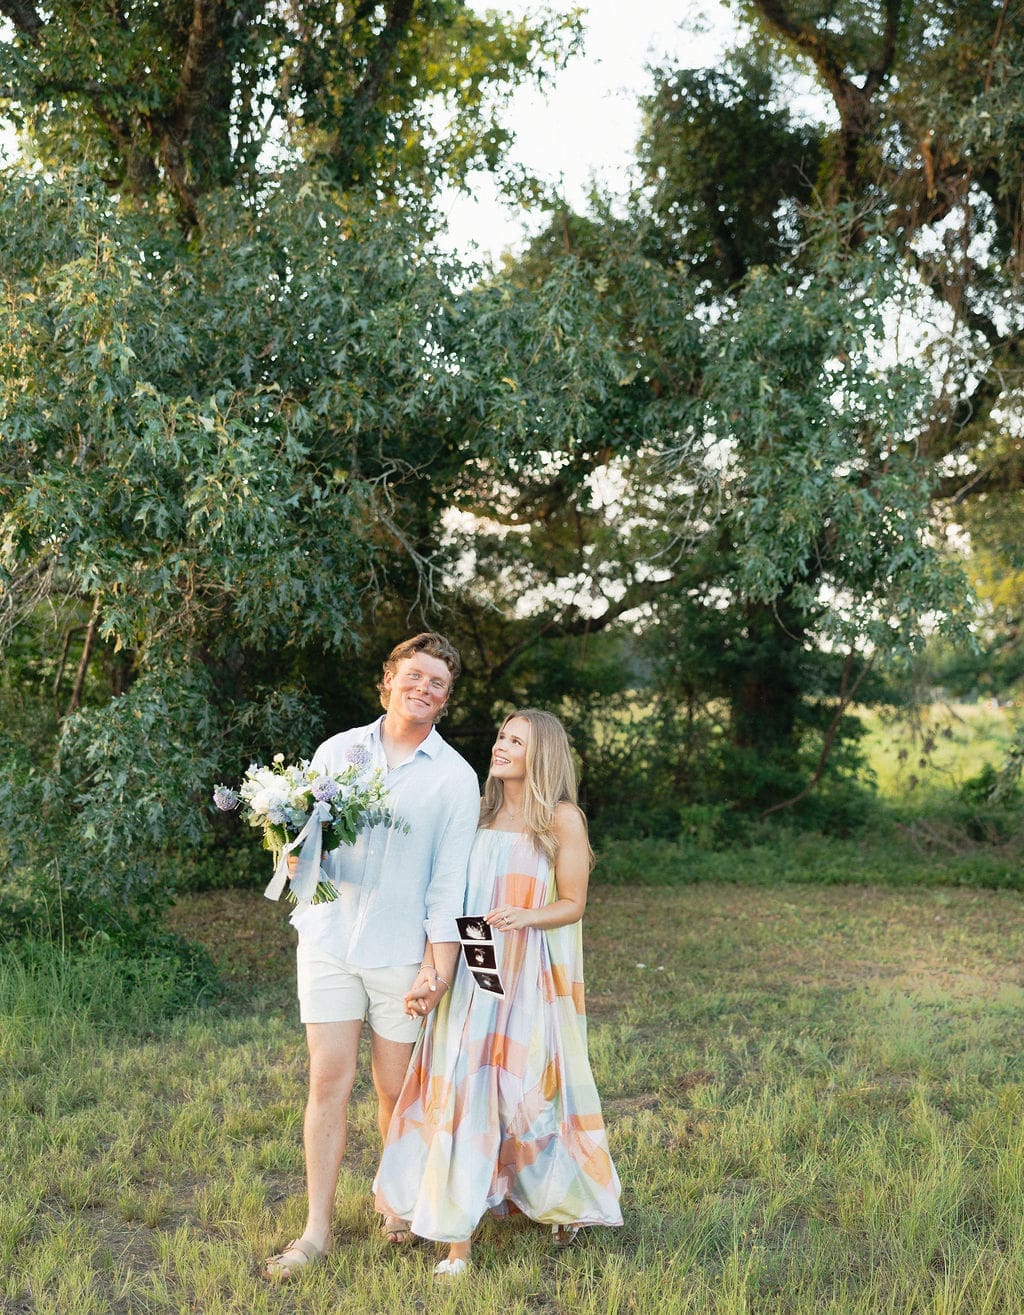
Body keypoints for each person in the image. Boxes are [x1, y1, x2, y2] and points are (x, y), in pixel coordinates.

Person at [374, 708, 622, 1277]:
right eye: (502, 736)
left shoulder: (561, 820)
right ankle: (455, 1236)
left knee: (527, 1095)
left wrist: (526, 915)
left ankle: (561, 1197)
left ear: (543, 755)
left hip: (525, 980)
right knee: (462, 1093)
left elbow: (575, 904)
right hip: (469, 978)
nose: (501, 745)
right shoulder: (477, 813)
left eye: (516, 740)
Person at [263, 633, 480, 1280]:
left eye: (437, 682)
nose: (424, 688)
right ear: (387, 680)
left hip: (400, 955)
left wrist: (436, 967)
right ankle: (315, 1231)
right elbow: (312, 843)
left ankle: (395, 1200)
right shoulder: (339, 750)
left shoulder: (455, 777)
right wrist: (294, 855)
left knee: (394, 1090)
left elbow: (449, 884)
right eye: (414, 675)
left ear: (445, 699)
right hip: (328, 941)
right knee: (327, 1080)